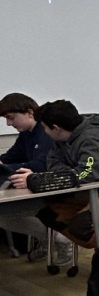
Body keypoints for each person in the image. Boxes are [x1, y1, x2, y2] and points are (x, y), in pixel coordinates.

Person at [21, 101, 99, 249]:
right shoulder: (60, 141)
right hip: (95, 193)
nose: (44, 131)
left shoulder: (92, 139)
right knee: (49, 214)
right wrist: (68, 174)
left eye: (44, 127)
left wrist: (35, 180)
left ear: (56, 128)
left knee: (83, 223)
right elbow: (53, 164)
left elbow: (87, 174)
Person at [0, 92, 58, 258]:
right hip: (33, 187)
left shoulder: (46, 131)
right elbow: (9, 158)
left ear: (29, 113)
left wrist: (6, 168)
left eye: (11, 118)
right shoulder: (26, 134)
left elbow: (41, 165)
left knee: (5, 215)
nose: (9, 123)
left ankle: (58, 239)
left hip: (49, 190)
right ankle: (50, 240)